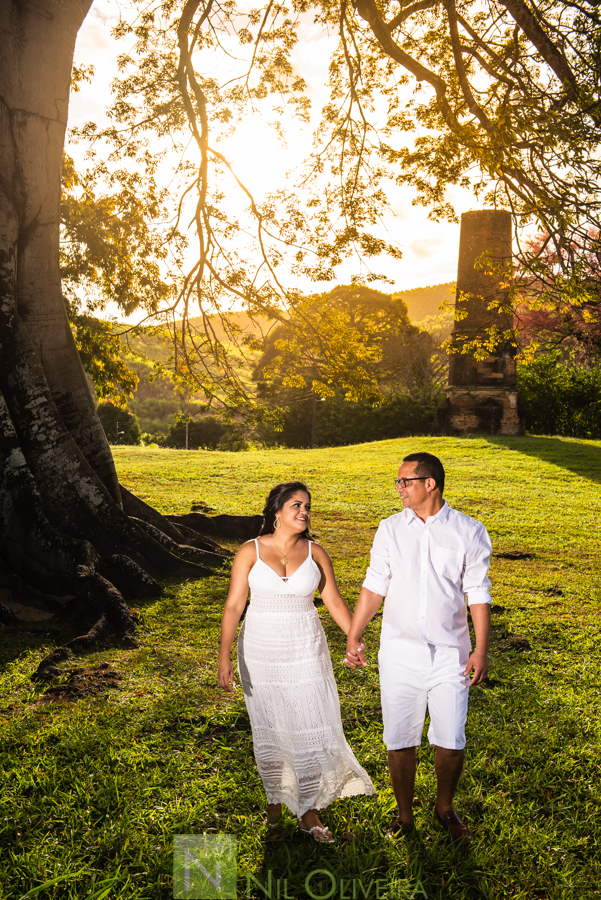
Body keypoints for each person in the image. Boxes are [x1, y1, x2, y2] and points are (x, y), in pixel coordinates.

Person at [345, 452, 491, 845]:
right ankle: (405, 815)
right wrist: (354, 633)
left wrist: (480, 648)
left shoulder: (469, 531)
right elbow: (376, 583)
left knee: (451, 739)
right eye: (398, 482)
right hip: (398, 652)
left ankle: (445, 807)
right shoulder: (390, 529)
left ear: (431, 484)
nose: (399, 489)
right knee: (399, 738)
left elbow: (477, 591)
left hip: (451, 654)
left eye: (405, 481)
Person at [218, 481, 375, 843]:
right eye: (296, 505)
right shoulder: (250, 551)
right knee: (271, 728)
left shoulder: (316, 552)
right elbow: (233, 605)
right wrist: (224, 655)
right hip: (260, 651)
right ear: (277, 511)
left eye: (307, 506)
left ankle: (307, 813)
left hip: (306, 648)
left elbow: (333, 601)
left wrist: (354, 639)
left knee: (308, 725)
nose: (304, 511)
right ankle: (275, 810)